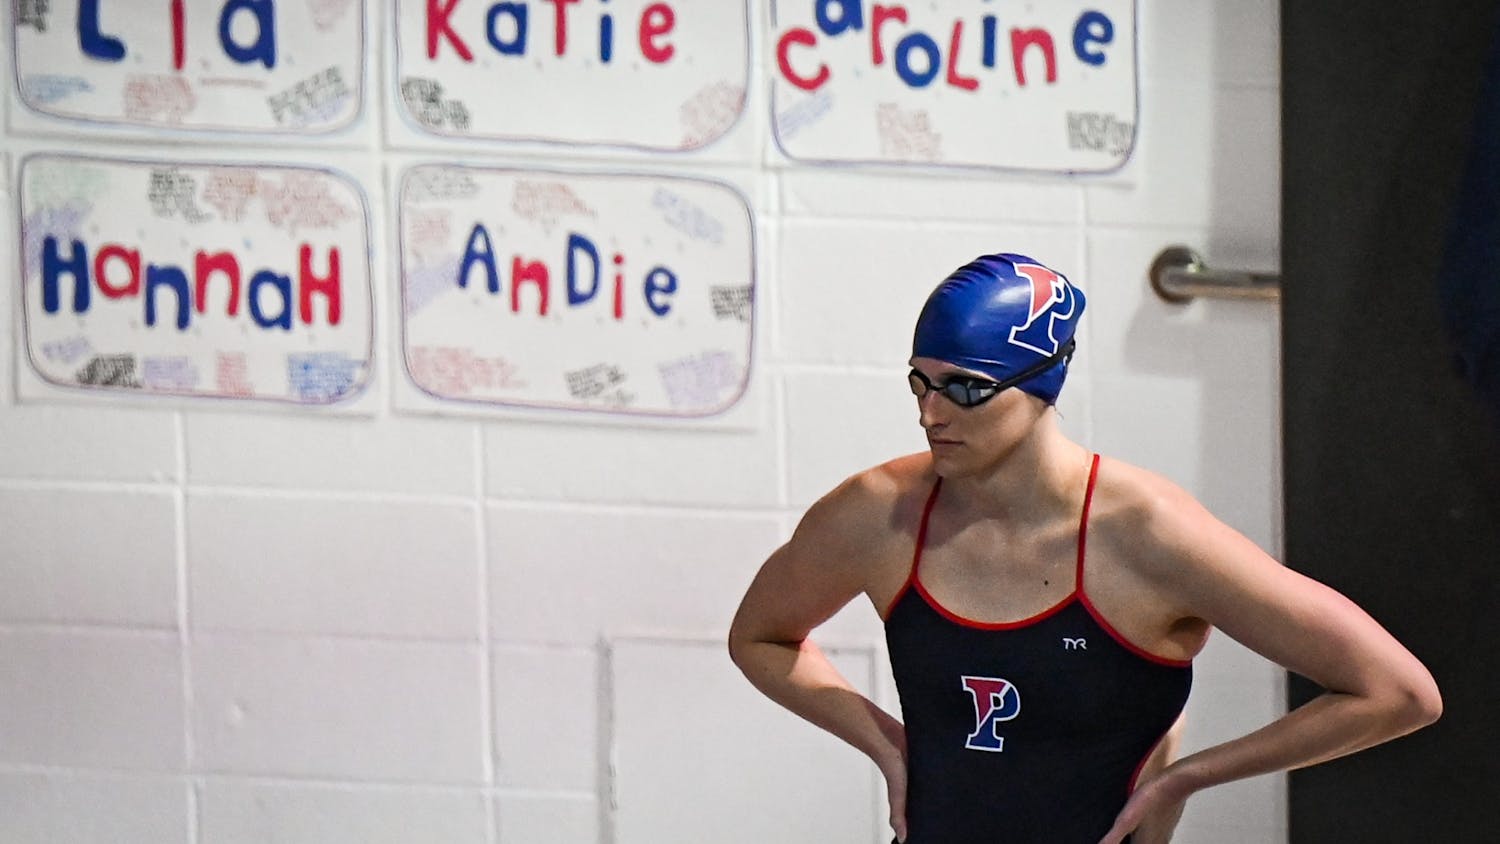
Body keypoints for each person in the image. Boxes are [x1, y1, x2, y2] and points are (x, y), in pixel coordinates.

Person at [726, 253, 1442, 844]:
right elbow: (761, 636)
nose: (929, 412)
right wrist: (885, 742)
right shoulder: (879, 513)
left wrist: (1189, 776)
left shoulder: (1146, 533)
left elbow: (1397, 692)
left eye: (966, 389)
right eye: (922, 381)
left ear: (1042, 382)